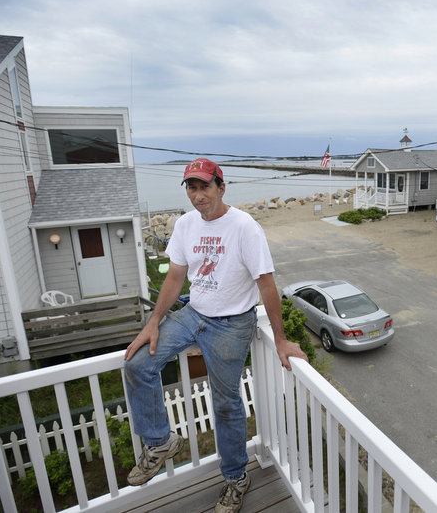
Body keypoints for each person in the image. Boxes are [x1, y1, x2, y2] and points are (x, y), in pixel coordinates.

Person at [123, 158, 308, 512]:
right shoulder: (186, 225)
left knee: (225, 404)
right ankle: (160, 442)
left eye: (204, 186)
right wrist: (153, 322)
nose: (197, 195)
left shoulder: (245, 227)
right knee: (137, 363)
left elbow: (266, 285)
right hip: (195, 312)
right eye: (191, 187)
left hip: (233, 322)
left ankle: (236, 478)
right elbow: (176, 275)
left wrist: (282, 339)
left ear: (221, 188)